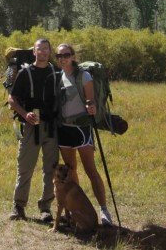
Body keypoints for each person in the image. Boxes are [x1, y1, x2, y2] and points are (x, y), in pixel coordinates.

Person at [55, 43, 113, 226]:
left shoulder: (84, 75)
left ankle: (104, 211)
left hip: (81, 128)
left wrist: (92, 106)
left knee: (91, 170)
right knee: (71, 171)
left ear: (73, 56)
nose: (62, 57)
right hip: (64, 129)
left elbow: (91, 100)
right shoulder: (58, 76)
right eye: (59, 55)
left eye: (66, 54)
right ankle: (76, 208)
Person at [8, 38, 60, 222]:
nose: (43, 52)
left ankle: (45, 208)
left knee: (51, 169)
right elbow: (12, 99)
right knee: (25, 168)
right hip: (31, 126)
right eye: (40, 49)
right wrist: (24, 114)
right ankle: (18, 206)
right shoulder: (25, 73)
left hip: (52, 127)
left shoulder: (56, 72)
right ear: (34, 52)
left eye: (46, 49)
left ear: (50, 51)